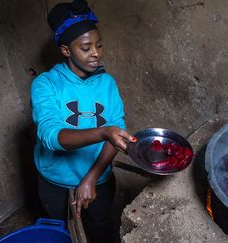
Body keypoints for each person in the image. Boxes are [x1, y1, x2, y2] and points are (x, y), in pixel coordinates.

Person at [30, 0, 135, 242]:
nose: (96, 53)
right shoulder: (45, 84)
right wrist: (103, 132)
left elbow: (116, 131)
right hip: (55, 183)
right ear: (66, 50)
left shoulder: (107, 83)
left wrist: (92, 177)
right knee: (62, 234)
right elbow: (50, 135)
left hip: (99, 178)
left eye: (99, 45)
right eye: (86, 48)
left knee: (100, 228)